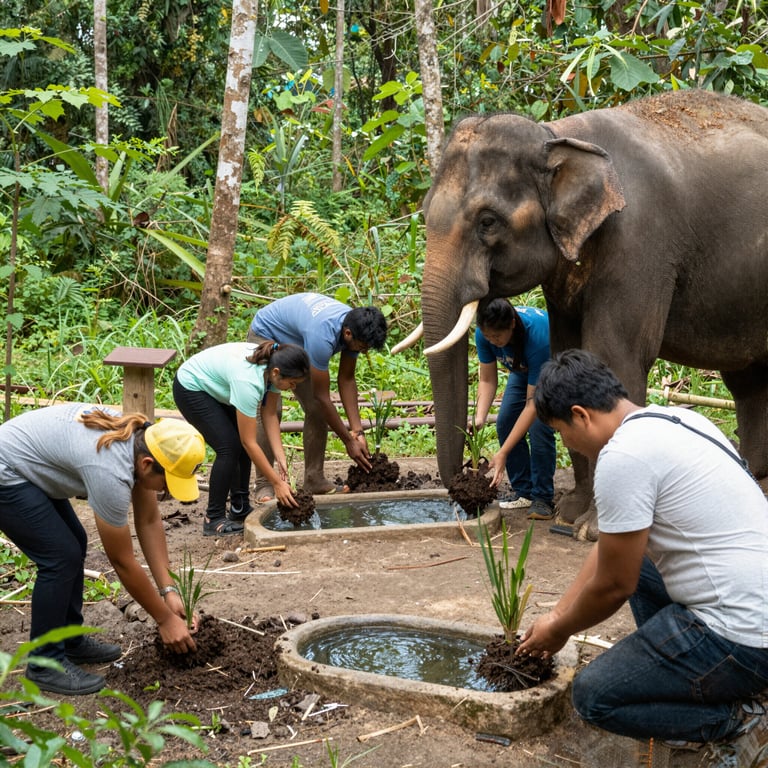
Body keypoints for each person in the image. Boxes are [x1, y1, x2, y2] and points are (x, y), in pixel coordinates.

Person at [518, 349, 768, 765]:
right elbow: (610, 551)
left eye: (561, 433)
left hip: (744, 639)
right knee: (639, 562)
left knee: (594, 696)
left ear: (580, 415)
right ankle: (693, 681)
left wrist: (560, 629)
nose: (568, 445)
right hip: (757, 612)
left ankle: (738, 720)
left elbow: (615, 586)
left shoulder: (623, 457)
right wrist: (557, 613)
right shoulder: (678, 420)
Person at [0, 405, 205, 696]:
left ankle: (68, 639)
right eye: (167, 483)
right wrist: (165, 619)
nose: (167, 492)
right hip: (7, 470)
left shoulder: (144, 440)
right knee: (60, 556)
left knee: (74, 543)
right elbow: (122, 561)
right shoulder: (110, 470)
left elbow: (148, 521)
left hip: (26, 463)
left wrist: (168, 591)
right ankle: (44, 663)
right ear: (147, 464)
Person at [247, 292, 388, 496]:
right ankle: (264, 484)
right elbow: (322, 397)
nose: (364, 352)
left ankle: (314, 479)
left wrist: (357, 432)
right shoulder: (322, 335)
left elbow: (347, 379)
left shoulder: (355, 327)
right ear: (348, 334)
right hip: (267, 334)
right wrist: (348, 443)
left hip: (298, 343)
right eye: (362, 347)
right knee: (270, 409)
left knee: (316, 409)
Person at [173, 340, 310, 536]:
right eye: (292, 383)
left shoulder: (273, 368)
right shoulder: (249, 382)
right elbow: (249, 443)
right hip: (191, 386)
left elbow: (270, 414)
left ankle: (240, 508)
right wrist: (277, 483)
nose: (293, 388)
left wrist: (280, 457)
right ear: (276, 373)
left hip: (216, 386)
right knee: (229, 447)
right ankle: (213, 518)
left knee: (238, 442)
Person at [473, 298, 556, 520]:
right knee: (505, 423)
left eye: (497, 336)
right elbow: (487, 380)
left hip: (550, 371)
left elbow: (532, 404)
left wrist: (502, 453)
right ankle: (524, 491)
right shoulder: (483, 333)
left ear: (511, 324)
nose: (493, 341)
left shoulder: (538, 338)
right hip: (522, 371)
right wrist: (479, 417)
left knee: (539, 428)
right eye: (488, 337)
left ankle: (542, 497)